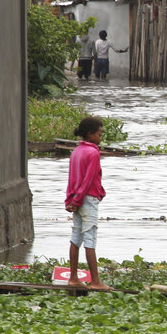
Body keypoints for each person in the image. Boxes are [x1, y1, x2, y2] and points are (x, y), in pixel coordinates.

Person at [64, 116, 111, 290]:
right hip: (87, 199)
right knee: (90, 238)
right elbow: (88, 179)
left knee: (76, 237)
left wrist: (70, 200)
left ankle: (74, 277)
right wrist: (78, 200)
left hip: (77, 198)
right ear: (90, 134)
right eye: (99, 134)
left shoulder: (76, 152)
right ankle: (96, 281)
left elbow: (73, 179)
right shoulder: (93, 152)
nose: (100, 137)